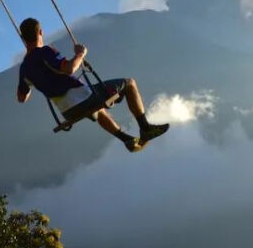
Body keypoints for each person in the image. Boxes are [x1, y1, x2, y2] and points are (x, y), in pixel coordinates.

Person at [15, 17, 168, 152]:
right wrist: (80, 54)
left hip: (68, 112)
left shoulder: (24, 69)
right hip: (84, 98)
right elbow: (69, 69)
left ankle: (126, 139)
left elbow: (22, 98)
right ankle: (145, 128)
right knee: (129, 83)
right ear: (41, 32)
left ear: (23, 38)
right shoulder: (45, 52)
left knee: (99, 110)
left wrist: (34, 81)